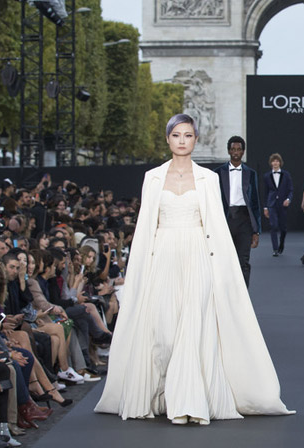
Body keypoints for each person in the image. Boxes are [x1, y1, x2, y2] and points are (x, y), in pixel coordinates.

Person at [95, 114, 293, 424]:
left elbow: (216, 226)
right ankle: (167, 393)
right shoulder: (153, 178)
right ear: (168, 139)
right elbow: (146, 227)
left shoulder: (208, 178)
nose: (182, 140)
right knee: (164, 330)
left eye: (188, 135)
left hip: (198, 254)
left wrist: (224, 272)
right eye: (176, 135)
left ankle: (188, 402)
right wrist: (138, 272)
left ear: (195, 140)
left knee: (193, 325)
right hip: (162, 256)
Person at [214, 136, 261, 286]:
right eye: (233, 149)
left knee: (243, 261)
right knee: (224, 262)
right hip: (224, 220)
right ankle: (226, 299)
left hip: (244, 220)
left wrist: (256, 231)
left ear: (243, 152)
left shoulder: (251, 173)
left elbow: (255, 203)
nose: (236, 152)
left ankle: (243, 301)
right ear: (228, 151)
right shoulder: (217, 173)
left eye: (239, 149)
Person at [262, 153, 293, 257]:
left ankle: (281, 244)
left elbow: (290, 190)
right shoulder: (266, 176)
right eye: (273, 161)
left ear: (280, 163)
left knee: (283, 228)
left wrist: (288, 199)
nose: (275, 163)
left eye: (277, 161)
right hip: (272, 204)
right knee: (273, 226)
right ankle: (275, 248)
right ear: (271, 163)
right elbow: (265, 192)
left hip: (283, 204)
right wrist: (265, 207)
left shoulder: (286, 175)